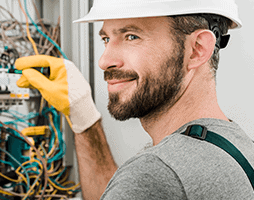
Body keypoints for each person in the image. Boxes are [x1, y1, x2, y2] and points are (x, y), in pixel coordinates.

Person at [15, 0, 254, 199]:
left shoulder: (158, 173)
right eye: (106, 39)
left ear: (197, 49)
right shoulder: (236, 145)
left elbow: (146, 184)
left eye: (132, 36)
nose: (104, 61)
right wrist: (83, 115)